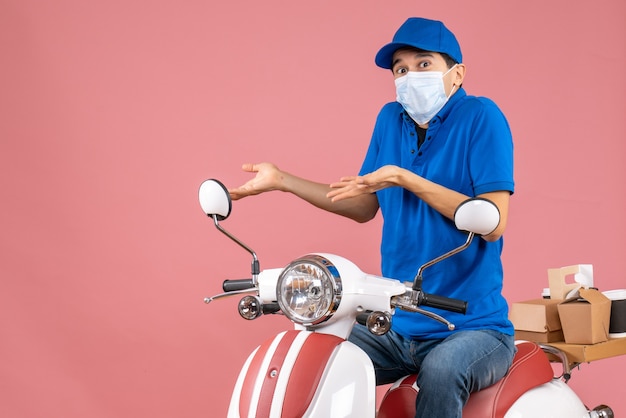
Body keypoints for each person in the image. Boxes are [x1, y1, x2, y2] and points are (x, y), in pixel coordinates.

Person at [229, 17, 515, 418]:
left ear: (456, 74)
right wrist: (283, 181)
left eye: (423, 64)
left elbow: (494, 220)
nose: (409, 76)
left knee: (443, 370)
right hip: (400, 325)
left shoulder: (481, 117)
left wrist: (405, 178)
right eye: (400, 69)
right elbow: (363, 205)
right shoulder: (390, 120)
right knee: (316, 357)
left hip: (472, 328)